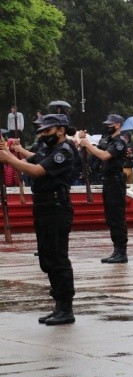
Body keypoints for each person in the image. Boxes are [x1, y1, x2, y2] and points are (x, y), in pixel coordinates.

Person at [0, 114, 75, 325]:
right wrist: (9, 151)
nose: (43, 134)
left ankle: (66, 307)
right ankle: (58, 304)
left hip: (56, 207)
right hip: (43, 206)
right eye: (42, 131)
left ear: (60, 130)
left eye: (47, 131)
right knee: (47, 257)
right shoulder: (47, 148)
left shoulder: (64, 151)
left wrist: (8, 158)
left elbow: (37, 170)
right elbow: (30, 158)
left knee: (58, 258)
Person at [79, 114, 128, 263]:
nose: (107, 126)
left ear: (118, 125)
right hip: (106, 181)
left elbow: (105, 155)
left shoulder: (120, 142)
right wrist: (83, 142)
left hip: (116, 181)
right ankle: (116, 250)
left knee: (117, 217)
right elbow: (95, 154)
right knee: (110, 217)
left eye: (110, 124)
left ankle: (121, 252)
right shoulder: (107, 140)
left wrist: (88, 144)